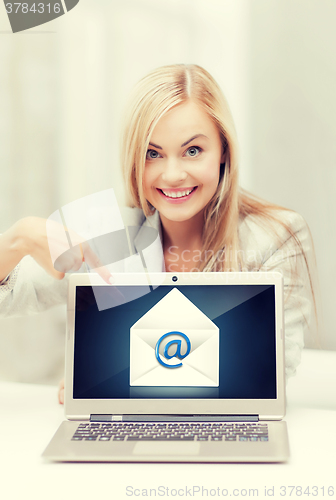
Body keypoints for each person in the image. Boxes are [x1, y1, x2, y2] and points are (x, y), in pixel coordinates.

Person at [0, 64, 317, 403]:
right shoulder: (109, 237)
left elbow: (271, 370)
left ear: (224, 150)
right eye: (153, 154)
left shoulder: (275, 237)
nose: (173, 174)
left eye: (192, 151)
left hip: (224, 434)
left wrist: (110, 378)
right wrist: (18, 240)